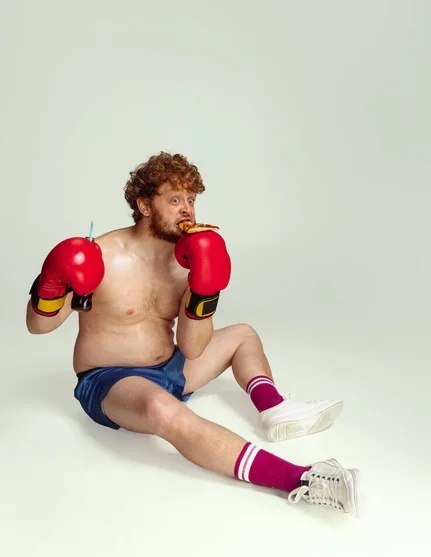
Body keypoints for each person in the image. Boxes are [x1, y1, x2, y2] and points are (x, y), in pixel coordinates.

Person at [26, 151, 363, 518]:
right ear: (144, 205)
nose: (187, 209)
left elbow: (192, 346)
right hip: (111, 381)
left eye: (191, 200)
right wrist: (51, 285)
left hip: (172, 368)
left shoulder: (188, 260)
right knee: (160, 408)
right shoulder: (100, 255)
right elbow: (39, 326)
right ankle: (302, 481)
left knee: (243, 334)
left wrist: (204, 291)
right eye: (174, 199)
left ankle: (275, 409)